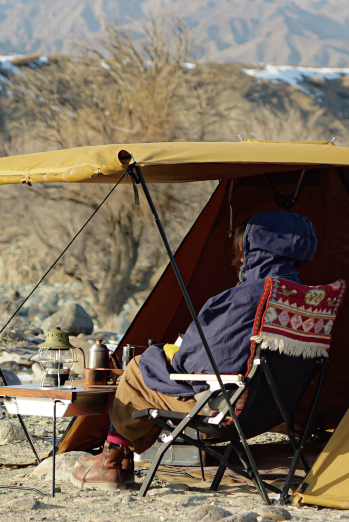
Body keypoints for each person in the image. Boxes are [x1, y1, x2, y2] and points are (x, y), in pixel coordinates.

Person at [71, 210, 318, 490]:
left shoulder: (247, 297)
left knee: (139, 368)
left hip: (224, 408)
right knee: (154, 366)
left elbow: (197, 364)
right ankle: (118, 460)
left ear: (256, 251)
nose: (239, 259)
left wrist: (165, 354)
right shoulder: (304, 298)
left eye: (242, 251)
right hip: (273, 409)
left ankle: (112, 463)